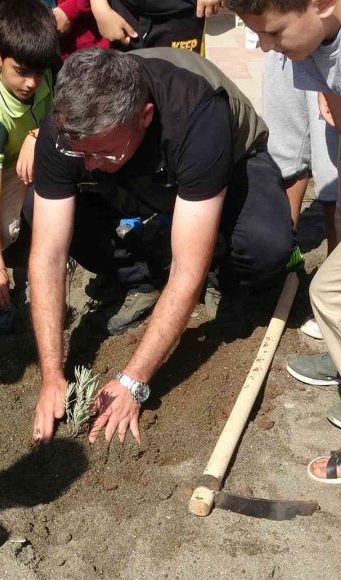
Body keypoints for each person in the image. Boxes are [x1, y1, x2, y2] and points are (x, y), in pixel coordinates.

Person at [29, 47, 294, 446]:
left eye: (100, 151)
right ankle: (144, 277)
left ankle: (225, 275)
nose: (88, 163)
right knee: (40, 211)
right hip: (141, 172)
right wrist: (52, 375)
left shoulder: (196, 113)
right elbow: (48, 255)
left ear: (145, 116)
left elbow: (190, 269)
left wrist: (133, 379)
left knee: (265, 247)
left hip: (228, 165)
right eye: (80, 153)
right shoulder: (69, 130)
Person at [228, 0, 341, 480]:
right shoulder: (312, 44)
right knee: (331, 293)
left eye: (274, 34)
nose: (266, 46)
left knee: (331, 293)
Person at [0, 0, 58, 312]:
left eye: (38, 72)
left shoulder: (47, 69)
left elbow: (68, 113)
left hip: (46, 151)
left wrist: (38, 136)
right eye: (22, 72)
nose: (32, 83)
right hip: (7, 169)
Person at [261, 50, 338, 350]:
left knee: (331, 167)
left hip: (325, 41)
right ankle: (283, 263)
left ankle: (335, 299)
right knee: (284, 152)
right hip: (285, 35)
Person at [90, 0, 220, 54]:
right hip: (124, 14)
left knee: (182, 90)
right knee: (125, 97)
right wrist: (99, 6)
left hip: (181, 14)